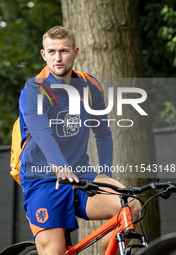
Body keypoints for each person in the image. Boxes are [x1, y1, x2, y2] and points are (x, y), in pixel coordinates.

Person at [18, 26, 141, 255]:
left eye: (63, 51)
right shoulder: (33, 90)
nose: (58, 57)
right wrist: (59, 165)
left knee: (130, 204)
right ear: (43, 54)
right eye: (52, 51)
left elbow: (102, 132)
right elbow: (40, 131)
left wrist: (104, 172)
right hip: (43, 179)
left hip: (82, 175)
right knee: (54, 251)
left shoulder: (90, 86)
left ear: (75, 52)